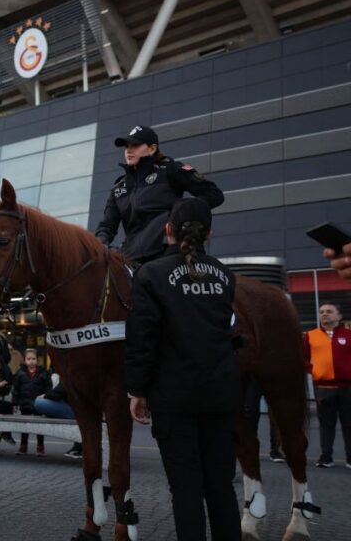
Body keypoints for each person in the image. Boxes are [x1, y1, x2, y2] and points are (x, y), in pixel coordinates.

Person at [126, 198, 241, 541]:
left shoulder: (151, 274)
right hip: (221, 395)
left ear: (168, 230)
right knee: (221, 485)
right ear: (209, 232)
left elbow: (142, 340)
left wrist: (137, 390)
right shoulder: (224, 274)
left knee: (186, 487)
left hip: (174, 397)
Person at [95, 125, 224, 264]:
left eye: (135, 145)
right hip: (131, 260)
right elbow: (107, 227)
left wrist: (182, 212)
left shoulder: (170, 169)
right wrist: (98, 243)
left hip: (168, 254)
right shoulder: (118, 188)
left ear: (152, 149)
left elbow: (214, 194)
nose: (129, 150)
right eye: (126, 146)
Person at [303, 302, 351, 469]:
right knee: (325, 425)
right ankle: (326, 457)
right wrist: (313, 370)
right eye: (322, 311)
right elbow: (303, 358)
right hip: (323, 388)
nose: (324, 314)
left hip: (347, 388)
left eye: (329, 311)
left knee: (349, 424)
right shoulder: (310, 336)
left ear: (339, 316)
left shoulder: (348, 335)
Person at [12, 349, 52, 456]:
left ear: (37, 360)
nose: (31, 361)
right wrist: (15, 403)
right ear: (25, 360)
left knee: (40, 427)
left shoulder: (43, 373)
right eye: (28, 359)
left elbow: (49, 388)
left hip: (39, 404)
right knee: (25, 427)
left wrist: (47, 397)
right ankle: (23, 446)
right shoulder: (20, 373)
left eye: (33, 359)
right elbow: (16, 389)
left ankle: (40, 447)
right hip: (25, 404)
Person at [33, 378, 82, 459]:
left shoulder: (69, 371)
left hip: (75, 411)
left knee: (38, 402)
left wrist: (45, 395)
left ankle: (79, 447)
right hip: (81, 409)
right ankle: (79, 447)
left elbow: (59, 392)